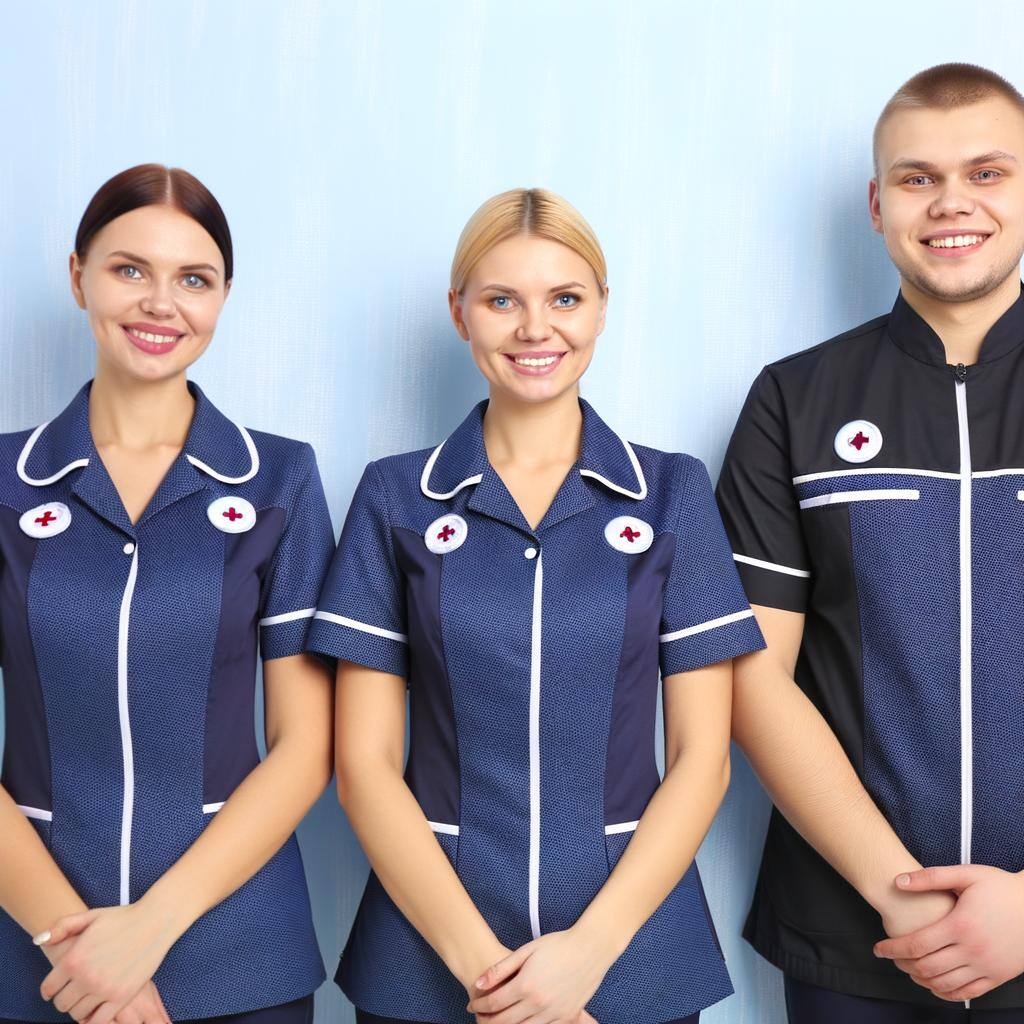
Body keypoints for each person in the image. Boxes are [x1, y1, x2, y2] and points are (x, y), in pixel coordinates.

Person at [304, 187, 766, 1024]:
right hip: (428, 954)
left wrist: (587, 956)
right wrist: (494, 978)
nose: (534, 329)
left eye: (564, 298)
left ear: (600, 310)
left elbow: (704, 757)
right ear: (460, 313)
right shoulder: (393, 498)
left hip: (632, 951)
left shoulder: (673, 494)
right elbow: (362, 766)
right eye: (501, 300)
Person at [716, 63, 1024, 1021]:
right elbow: (752, 674)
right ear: (877, 201)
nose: (950, 203)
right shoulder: (792, 400)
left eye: (988, 172)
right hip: (855, 932)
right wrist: (903, 897)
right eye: (917, 177)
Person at [0, 164, 334, 1024]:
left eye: (193, 279)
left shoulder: (282, 482)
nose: (161, 303)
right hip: (34, 950)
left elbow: (305, 744)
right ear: (78, 276)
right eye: (128, 270)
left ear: (223, 298)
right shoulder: (1, 483)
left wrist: (149, 930)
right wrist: (76, 950)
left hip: (239, 951)